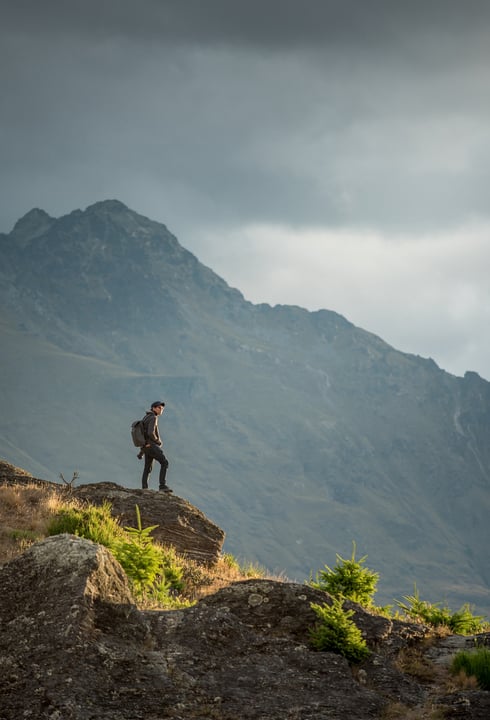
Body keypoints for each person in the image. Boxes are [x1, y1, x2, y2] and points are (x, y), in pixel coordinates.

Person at [140, 401, 172, 493]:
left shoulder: (146, 417)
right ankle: (162, 485)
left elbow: (143, 434)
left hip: (146, 447)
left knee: (147, 468)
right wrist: (157, 441)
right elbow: (150, 433)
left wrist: (142, 451)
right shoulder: (153, 417)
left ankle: (144, 488)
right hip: (152, 446)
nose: (161, 409)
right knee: (164, 462)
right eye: (159, 407)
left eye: (162, 408)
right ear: (153, 408)